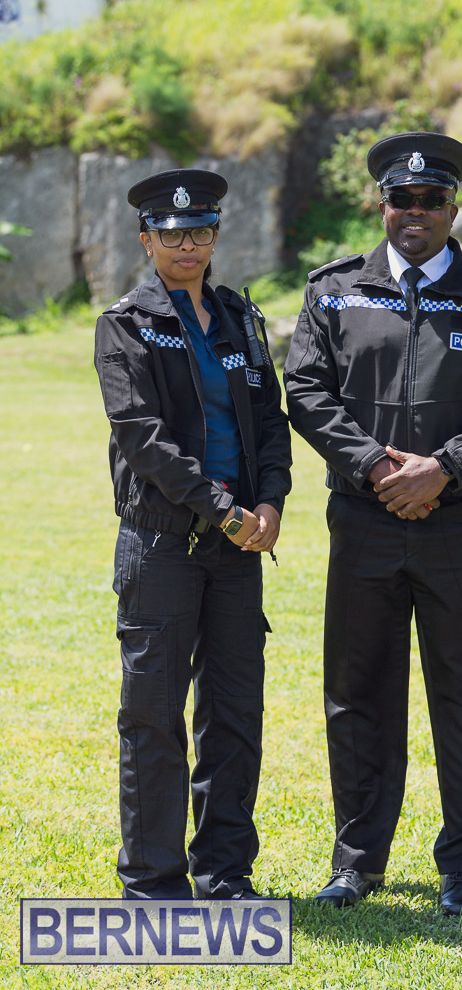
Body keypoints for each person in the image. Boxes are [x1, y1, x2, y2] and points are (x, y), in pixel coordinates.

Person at [283, 132, 462, 915]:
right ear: (382, 203)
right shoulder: (333, 290)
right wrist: (374, 466)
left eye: (432, 200)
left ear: (454, 207)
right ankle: (357, 861)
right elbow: (305, 389)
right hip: (362, 520)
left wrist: (446, 467)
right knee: (357, 692)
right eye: (403, 198)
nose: (416, 212)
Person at [94, 168, 292, 901]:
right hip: (163, 544)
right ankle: (152, 880)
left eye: (200, 232)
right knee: (152, 714)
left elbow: (268, 422)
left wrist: (269, 502)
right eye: (171, 234)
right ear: (146, 241)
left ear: (215, 236)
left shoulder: (241, 317)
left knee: (235, 713)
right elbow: (143, 438)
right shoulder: (126, 324)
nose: (187, 245)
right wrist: (224, 508)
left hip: (238, 549)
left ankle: (225, 873)